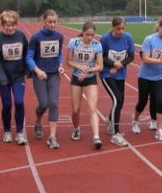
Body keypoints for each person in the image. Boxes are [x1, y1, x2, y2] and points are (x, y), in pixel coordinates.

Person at [132, 17, 162, 141]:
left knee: (161, 102)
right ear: (159, 27)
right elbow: (145, 59)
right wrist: (161, 61)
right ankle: (135, 120)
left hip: (160, 77)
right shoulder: (149, 39)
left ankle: (159, 130)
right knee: (142, 102)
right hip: (145, 76)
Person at [26, 10, 64, 149]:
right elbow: (28, 58)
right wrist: (37, 70)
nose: (52, 24)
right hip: (40, 74)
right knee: (44, 104)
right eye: (50, 21)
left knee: (53, 103)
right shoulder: (36, 38)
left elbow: (59, 54)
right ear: (44, 21)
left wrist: (60, 65)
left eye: (55, 22)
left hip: (54, 74)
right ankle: (37, 120)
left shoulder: (59, 36)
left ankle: (52, 137)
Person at [0, 10, 29, 145]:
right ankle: (7, 131)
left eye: (12, 25)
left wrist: (27, 71)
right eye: (7, 25)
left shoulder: (21, 36)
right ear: (3, 24)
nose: (10, 28)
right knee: (7, 104)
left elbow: (26, 54)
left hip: (18, 76)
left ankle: (19, 132)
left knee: (19, 102)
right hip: (3, 77)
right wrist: (2, 77)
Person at [66, 21, 104, 149]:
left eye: (92, 35)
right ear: (82, 32)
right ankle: (76, 128)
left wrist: (88, 70)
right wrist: (80, 67)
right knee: (75, 110)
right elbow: (69, 62)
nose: (89, 37)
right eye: (87, 35)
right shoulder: (73, 42)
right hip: (76, 78)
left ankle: (96, 137)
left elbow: (100, 66)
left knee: (92, 108)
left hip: (90, 78)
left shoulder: (97, 45)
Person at [100, 17, 136, 147]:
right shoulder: (105, 38)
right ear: (113, 27)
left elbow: (132, 56)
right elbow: (101, 56)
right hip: (107, 74)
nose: (121, 31)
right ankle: (116, 134)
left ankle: (110, 119)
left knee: (120, 101)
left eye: (123, 28)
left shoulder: (128, 38)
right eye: (118, 28)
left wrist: (120, 64)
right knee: (117, 100)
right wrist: (112, 64)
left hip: (120, 73)